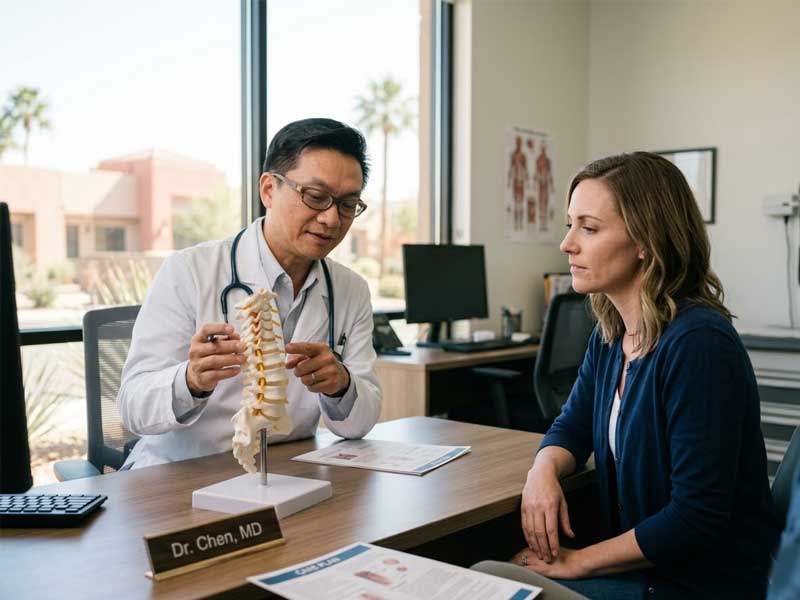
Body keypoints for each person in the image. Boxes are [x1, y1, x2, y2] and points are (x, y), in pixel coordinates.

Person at [480, 152, 780, 598]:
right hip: (648, 571)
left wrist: (578, 562)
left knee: (484, 577)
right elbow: (572, 427)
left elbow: (696, 515)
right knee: (487, 566)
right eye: (570, 224)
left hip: (696, 585)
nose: (567, 244)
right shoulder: (611, 336)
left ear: (645, 241)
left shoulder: (699, 343)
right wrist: (541, 471)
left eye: (589, 227)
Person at [118, 118, 382, 468]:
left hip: (290, 472)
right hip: (181, 474)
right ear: (269, 189)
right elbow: (132, 408)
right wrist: (190, 380)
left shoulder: (351, 290)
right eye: (317, 198)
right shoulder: (190, 271)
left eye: (348, 205)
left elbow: (360, 423)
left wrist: (342, 384)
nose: (332, 220)